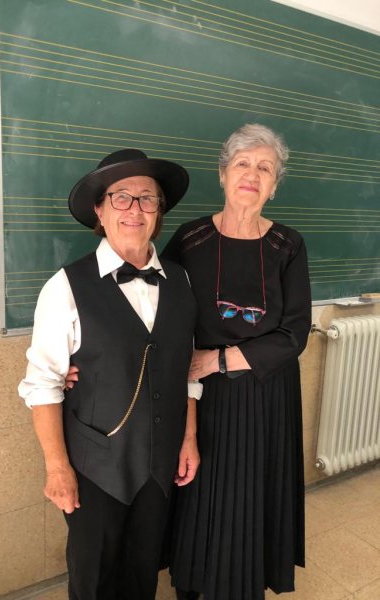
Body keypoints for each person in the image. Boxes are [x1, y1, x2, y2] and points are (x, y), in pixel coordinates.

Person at [18, 149, 201, 600]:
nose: (135, 209)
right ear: (100, 210)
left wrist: (189, 439)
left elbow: (187, 370)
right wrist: (57, 468)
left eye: (147, 198)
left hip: (159, 463)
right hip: (94, 466)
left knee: (143, 572)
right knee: (94, 579)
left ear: (159, 211)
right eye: (121, 197)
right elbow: (43, 384)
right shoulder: (65, 287)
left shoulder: (181, 281)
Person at [161, 123, 311, 600]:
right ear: (223, 174)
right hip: (201, 401)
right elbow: (156, 309)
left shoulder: (288, 245)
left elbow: (294, 333)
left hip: (267, 396)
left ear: (274, 185)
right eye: (243, 164)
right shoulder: (189, 239)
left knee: (253, 498)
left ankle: (245, 585)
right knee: (200, 493)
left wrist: (218, 360)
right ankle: (193, 584)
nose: (252, 174)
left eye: (265, 168)